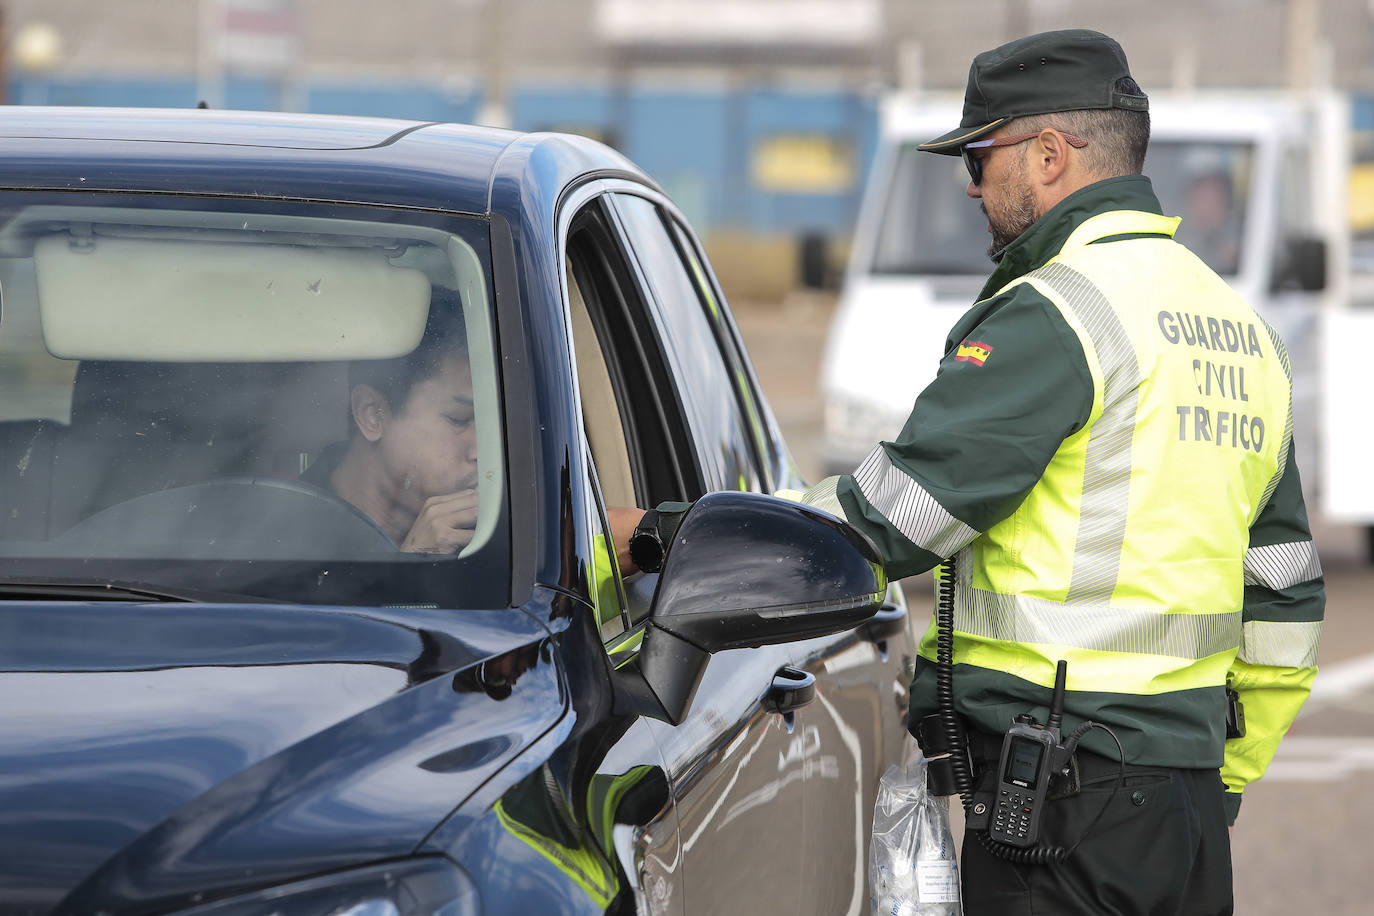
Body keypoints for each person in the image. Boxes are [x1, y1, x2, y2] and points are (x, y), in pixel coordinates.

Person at [616, 28, 1323, 916]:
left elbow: (891, 517)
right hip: (1181, 819)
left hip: (1066, 811)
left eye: (983, 156)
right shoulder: (1241, 331)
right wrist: (1219, 785)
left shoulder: (1060, 313)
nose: (971, 183)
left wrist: (665, 534)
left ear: (1051, 154)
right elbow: (1287, 599)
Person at [303, 299, 480, 554]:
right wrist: (413, 567)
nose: (480, 451)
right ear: (372, 414)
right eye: (459, 419)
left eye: (488, 425)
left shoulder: (490, 541)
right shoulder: (274, 536)